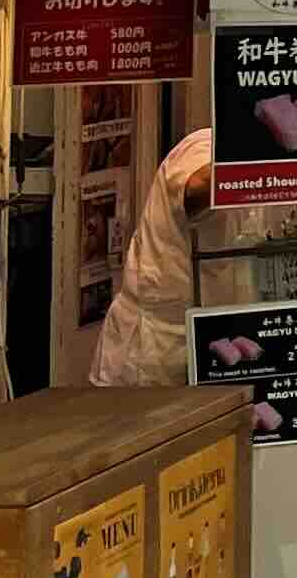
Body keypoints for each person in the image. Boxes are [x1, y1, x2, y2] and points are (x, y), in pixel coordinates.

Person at [91, 127, 216, 385]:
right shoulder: (200, 147)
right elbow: (194, 189)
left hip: (218, 345)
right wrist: (257, 153)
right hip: (154, 352)